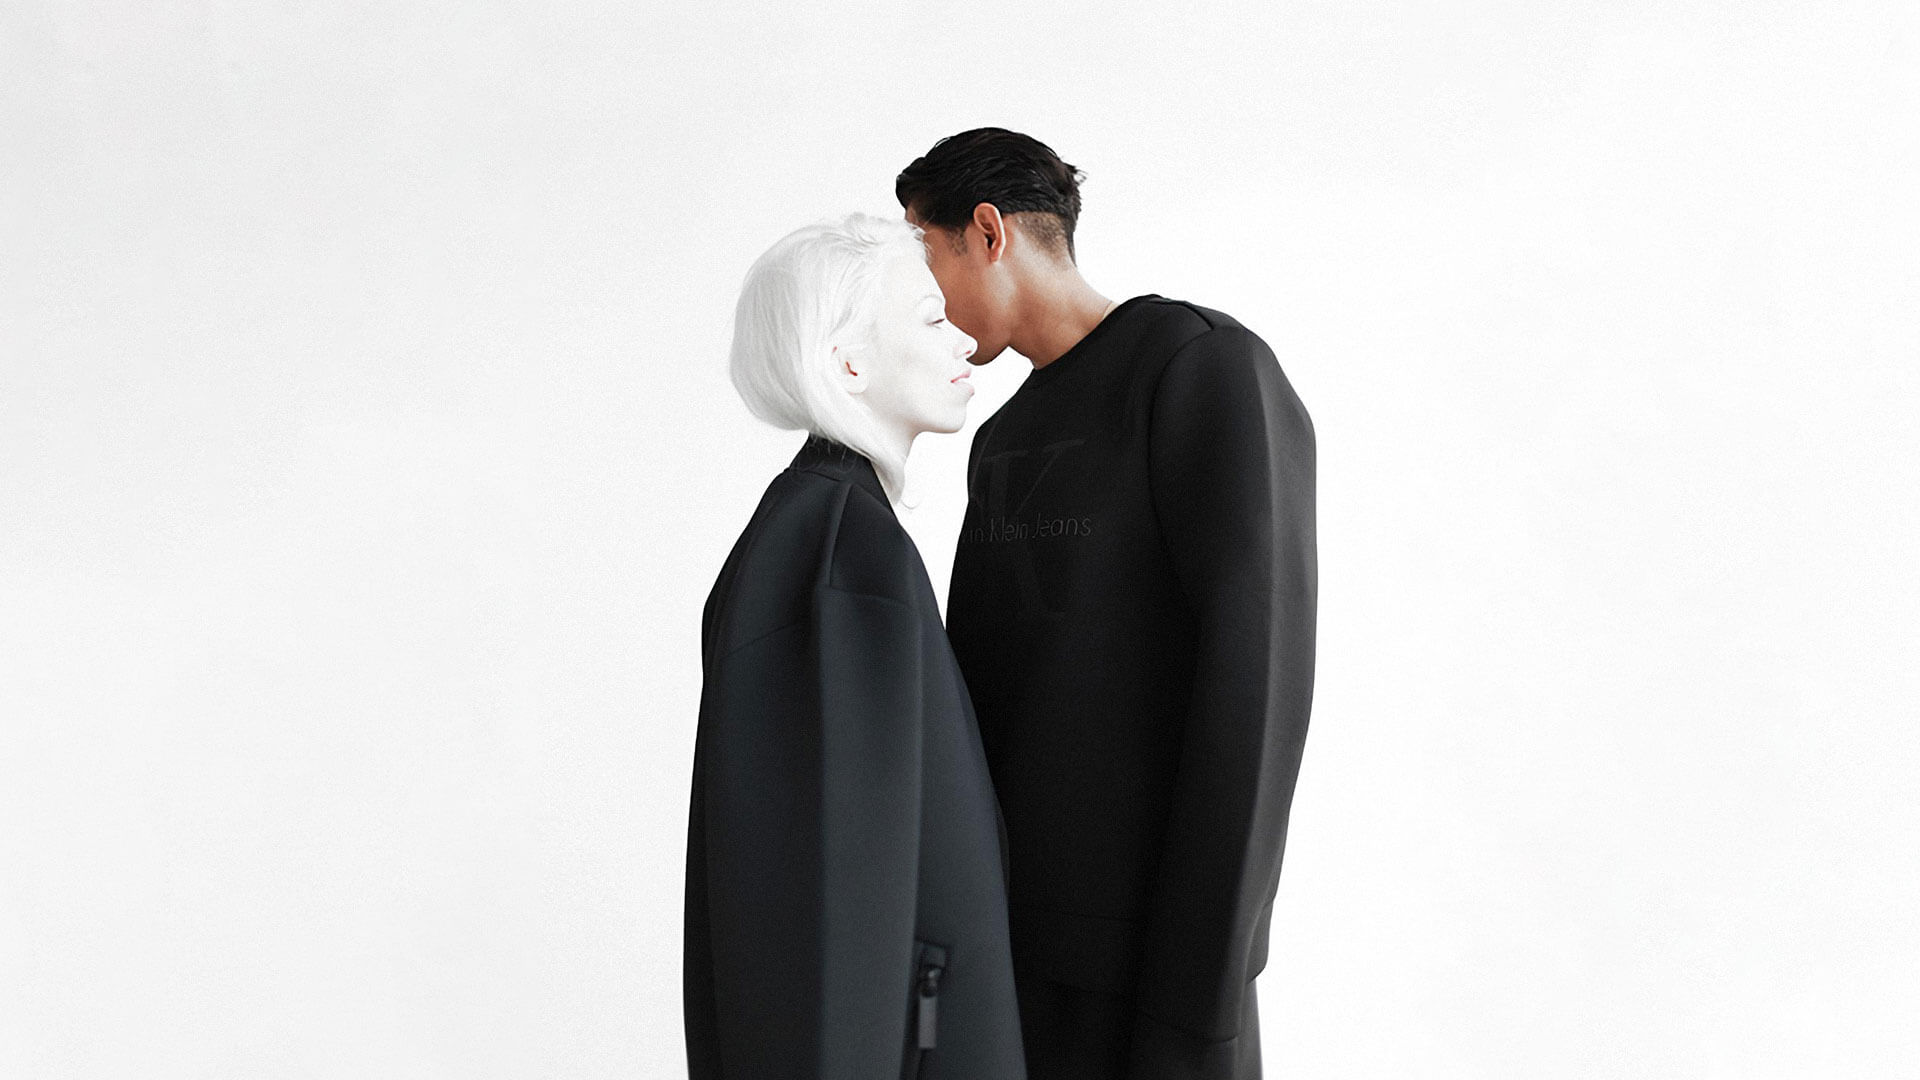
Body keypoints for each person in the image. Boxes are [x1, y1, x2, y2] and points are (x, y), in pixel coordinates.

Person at [895, 128, 1319, 1080]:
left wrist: (1200, 996)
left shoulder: (1200, 367)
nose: (922, 299)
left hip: (1160, 978)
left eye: (924, 254)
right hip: (1011, 960)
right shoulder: (1002, 437)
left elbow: (1258, 680)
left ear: (988, 232)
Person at [682, 210, 1027, 1080]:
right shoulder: (837, 555)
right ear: (848, 364)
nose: (964, 340)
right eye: (929, 318)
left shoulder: (829, 532)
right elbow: (826, 907)